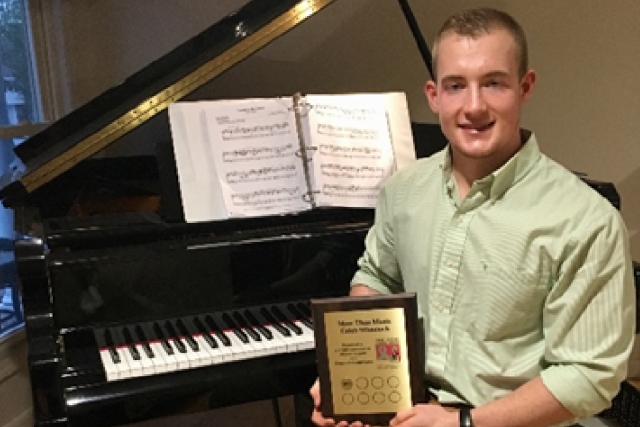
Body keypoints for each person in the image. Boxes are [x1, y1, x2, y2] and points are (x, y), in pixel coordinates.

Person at [309, 7, 636, 427]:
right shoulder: (402, 191)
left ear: (525, 86)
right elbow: (377, 279)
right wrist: (348, 374)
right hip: (409, 412)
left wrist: (461, 423)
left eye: (494, 83)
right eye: (456, 86)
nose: (474, 106)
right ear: (433, 95)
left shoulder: (585, 220)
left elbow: (588, 376)